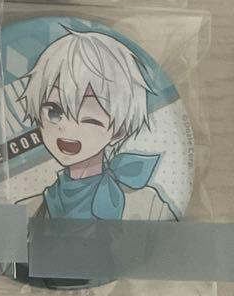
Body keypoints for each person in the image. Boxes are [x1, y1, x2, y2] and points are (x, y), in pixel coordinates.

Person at [16, 29, 175, 220]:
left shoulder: (148, 205)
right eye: (54, 112)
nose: (67, 128)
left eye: (90, 119)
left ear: (119, 131)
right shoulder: (27, 210)